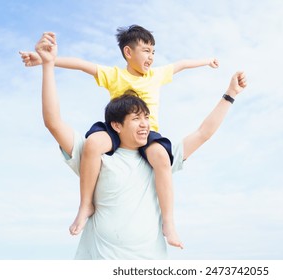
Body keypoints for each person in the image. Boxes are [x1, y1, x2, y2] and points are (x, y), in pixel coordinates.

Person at [36, 32, 246, 259]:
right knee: (93, 143)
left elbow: (203, 133)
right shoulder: (97, 159)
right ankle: (85, 205)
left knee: (162, 157)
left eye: (146, 117)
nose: (144, 123)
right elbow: (53, 122)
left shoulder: (156, 161)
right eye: (136, 119)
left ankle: (169, 223)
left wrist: (230, 93)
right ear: (117, 125)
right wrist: (48, 64)